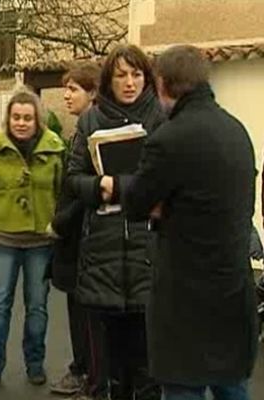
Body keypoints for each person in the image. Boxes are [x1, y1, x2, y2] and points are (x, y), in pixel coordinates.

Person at [110, 44, 258, 400]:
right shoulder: (237, 131)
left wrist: (159, 204)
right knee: (232, 386)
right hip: (232, 290)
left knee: (182, 390)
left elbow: (134, 204)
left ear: (162, 85)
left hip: (184, 298)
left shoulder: (168, 140)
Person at [64, 44, 166, 400]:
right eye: (121, 75)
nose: (129, 82)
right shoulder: (90, 119)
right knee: (109, 370)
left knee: (148, 366)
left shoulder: (162, 117)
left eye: (136, 74)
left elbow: (168, 178)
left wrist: (122, 185)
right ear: (108, 79)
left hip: (147, 248)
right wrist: (98, 186)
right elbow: (72, 177)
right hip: (102, 249)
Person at [0, 89, 64, 390]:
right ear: (8, 119)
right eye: (16, 117)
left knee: (37, 307)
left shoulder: (56, 150)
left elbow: (63, 195)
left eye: (28, 118)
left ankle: (35, 363)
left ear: (38, 120)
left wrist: (61, 232)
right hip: (3, 241)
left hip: (41, 241)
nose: (21, 123)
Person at [50, 61, 108, 399]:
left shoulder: (94, 133)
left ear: (93, 92)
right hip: (72, 238)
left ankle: (87, 373)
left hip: (81, 237)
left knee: (86, 313)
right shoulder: (80, 130)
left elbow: (86, 190)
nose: (66, 95)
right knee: (77, 308)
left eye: (73, 89)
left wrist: (60, 222)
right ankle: (83, 369)